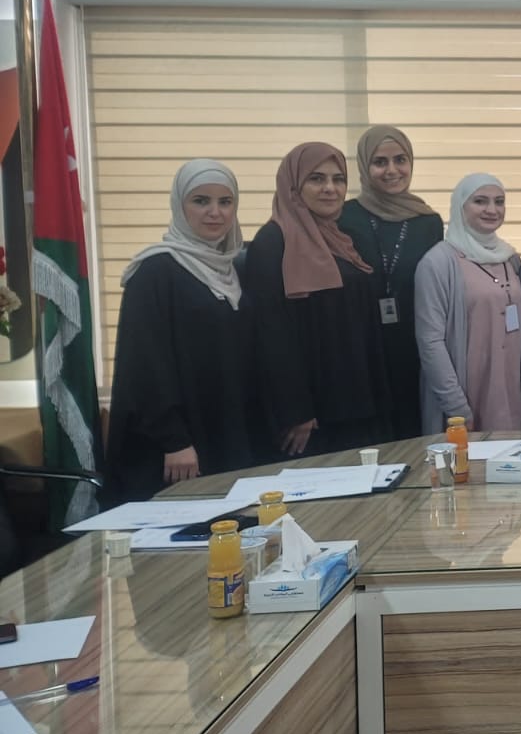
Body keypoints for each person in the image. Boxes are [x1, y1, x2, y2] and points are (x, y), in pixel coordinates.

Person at [106, 160, 254, 502]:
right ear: (179, 205)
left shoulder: (233, 268)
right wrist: (174, 440)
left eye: (225, 202)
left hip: (227, 430)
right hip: (177, 447)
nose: (215, 212)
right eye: (201, 201)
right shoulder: (154, 271)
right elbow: (143, 364)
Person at [243, 143, 390, 459]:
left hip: (356, 398)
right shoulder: (273, 243)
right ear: (293, 185)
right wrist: (296, 412)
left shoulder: (344, 239)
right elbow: (271, 334)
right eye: (316, 179)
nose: (330, 188)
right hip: (312, 416)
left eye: (338, 179)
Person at [338, 125, 444, 440]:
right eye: (380, 162)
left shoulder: (428, 222)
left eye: (400, 160)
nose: (392, 170)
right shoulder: (343, 217)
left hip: (414, 347)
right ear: (364, 166)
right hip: (362, 347)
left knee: (416, 436)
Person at [413, 174, 521, 434]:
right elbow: (430, 342)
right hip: (467, 397)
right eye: (480, 201)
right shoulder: (438, 263)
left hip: (510, 391)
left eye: (499, 201)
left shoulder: (509, 258)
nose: (492, 209)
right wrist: (456, 406)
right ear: (460, 206)